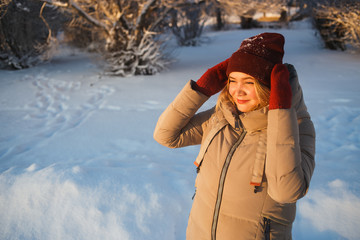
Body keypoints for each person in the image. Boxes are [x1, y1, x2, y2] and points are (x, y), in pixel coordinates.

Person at [153, 32, 316, 240]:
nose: (238, 91)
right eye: (232, 80)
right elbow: (166, 135)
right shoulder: (223, 117)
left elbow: (286, 192)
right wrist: (202, 89)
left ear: (270, 86)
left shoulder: (298, 126)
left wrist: (281, 111)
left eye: (249, 82)